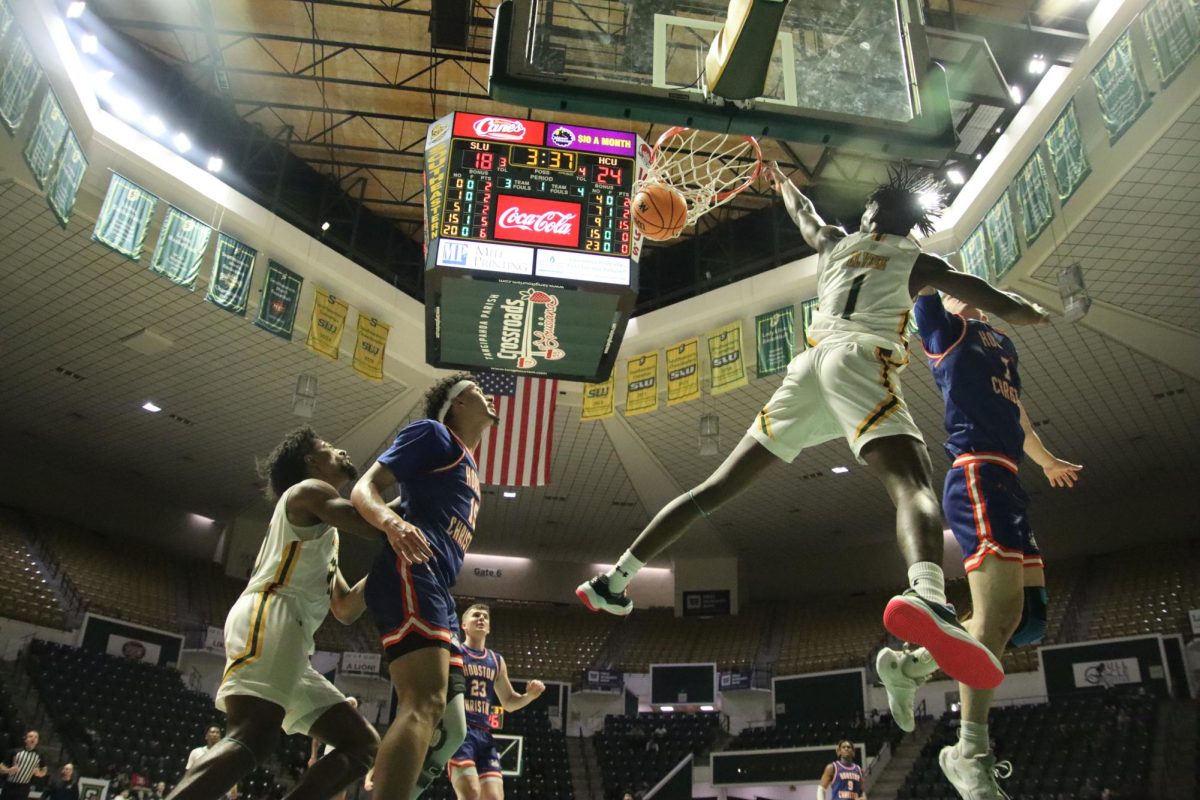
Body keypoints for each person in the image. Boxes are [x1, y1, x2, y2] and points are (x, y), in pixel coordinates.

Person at [578, 163, 1050, 691]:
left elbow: (804, 212)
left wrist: (778, 178)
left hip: (808, 367)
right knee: (911, 483)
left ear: (871, 214)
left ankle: (613, 579)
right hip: (859, 362)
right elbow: (1001, 303)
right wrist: (1036, 311)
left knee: (714, 489)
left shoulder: (834, 243)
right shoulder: (919, 261)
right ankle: (927, 593)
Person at [875, 289, 1081, 798]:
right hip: (977, 474)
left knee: (1025, 621)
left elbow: (1018, 412)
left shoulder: (1002, 343)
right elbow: (921, 281)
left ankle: (911, 665)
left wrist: (1047, 460)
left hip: (1009, 477)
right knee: (995, 618)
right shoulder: (943, 326)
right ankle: (970, 752)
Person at [168, 428, 383, 800]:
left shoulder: (323, 534)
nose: (341, 450)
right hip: (272, 613)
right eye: (329, 448)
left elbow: (346, 608)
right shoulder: (307, 492)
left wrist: (389, 566)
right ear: (311, 463)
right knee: (253, 733)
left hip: (292, 640)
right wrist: (420, 508)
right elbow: (369, 524)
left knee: (360, 743)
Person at [351, 374, 498, 798]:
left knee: (452, 730)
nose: (486, 396)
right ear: (457, 405)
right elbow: (366, 489)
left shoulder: (465, 466)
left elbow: (411, 506)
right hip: (414, 572)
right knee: (424, 703)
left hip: (436, 584)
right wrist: (392, 524)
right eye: (476, 391)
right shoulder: (434, 434)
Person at [448, 604, 545, 800]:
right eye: (476, 615)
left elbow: (508, 701)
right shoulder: (455, 652)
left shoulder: (496, 660)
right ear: (464, 625)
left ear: (490, 627)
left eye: (485, 616)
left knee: (494, 797)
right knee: (471, 793)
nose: (481, 618)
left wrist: (529, 696)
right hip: (459, 732)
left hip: (484, 735)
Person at [1, 731, 48, 800]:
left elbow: (44, 769)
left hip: (24, 787)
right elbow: (1, 766)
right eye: (31, 736)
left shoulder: (40, 755)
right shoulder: (15, 751)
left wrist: (39, 774)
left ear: (37, 741)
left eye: (36, 737)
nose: (33, 738)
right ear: (25, 740)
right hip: (10, 784)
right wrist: (8, 770)